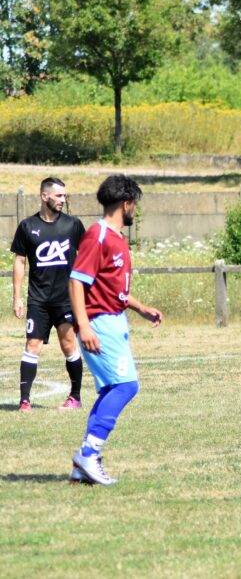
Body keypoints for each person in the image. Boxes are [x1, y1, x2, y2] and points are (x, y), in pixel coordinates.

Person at [68, 175, 163, 485]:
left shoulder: (118, 237)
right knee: (125, 387)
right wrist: (83, 326)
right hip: (99, 323)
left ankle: (83, 463)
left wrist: (140, 308)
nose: (135, 210)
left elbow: (112, 287)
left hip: (114, 320)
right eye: (135, 204)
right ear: (126, 204)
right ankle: (89, 454)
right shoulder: (98, 236)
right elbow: (77, 281)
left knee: (113, 389)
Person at [10, 178, 87, 413]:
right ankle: (24, 401)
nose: (63, 200)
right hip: (38, 300)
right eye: (59, 196)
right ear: (45, 196)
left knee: (68, 345)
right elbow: (20, 261)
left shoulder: (73, 225)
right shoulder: (27, 226)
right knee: (32, 345)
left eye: (64, 196)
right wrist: (17, 297)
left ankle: (75, 397)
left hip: (65, 299)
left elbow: (87, 257)